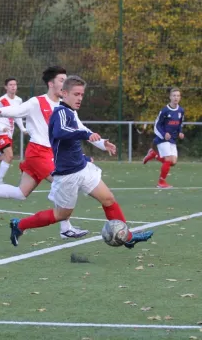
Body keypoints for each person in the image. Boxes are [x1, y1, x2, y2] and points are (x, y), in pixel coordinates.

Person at [9, 75, 153, 248]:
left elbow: (80, 132)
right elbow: (62, 132)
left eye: (82, 95)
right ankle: (20, 225)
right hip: (67, 176)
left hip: (82, 169)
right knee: (61, 214)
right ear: (64, 93)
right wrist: (85, 135)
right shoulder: (60, 113)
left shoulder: (71, 113)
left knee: (108, 199)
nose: (80, 98)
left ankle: (127, 237)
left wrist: (101, 143)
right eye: (76, 94)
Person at [0, 66, 87, 239]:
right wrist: (0, 111)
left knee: (21, 193)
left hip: (50, 154)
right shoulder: (37, 101)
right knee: (62, 181)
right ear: (51, 84)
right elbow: (18, 111)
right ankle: (65, 227)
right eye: (62, 80)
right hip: (39, 153)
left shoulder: (65, 106)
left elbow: (79, 128)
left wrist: (98, 141)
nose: (66, 83)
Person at [142, 88, 185, 188]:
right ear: (170, 97)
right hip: (162, 138)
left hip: (172, 139)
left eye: (178, 96)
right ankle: (161, 182)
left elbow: (180, 124)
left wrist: (181, 132)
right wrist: (164, 134)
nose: (176, 98)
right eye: (174, 95)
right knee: (168, 159)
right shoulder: (164, 111)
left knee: (173, 162)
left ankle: (154, 154)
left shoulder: (181, 111)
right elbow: (157, 125)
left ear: (180, 97)